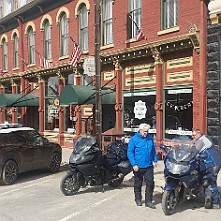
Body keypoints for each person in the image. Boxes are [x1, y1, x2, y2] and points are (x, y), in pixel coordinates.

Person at [127, 123, 158, 208]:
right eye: (144, 131)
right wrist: (134, 164)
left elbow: (153, 151)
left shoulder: (150, 138)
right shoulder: (134, 139)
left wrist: (155, 160)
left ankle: (148, 201)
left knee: (150, 183)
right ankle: (138, 199)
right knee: (138, 183)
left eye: (147, 131)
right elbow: (130, 152)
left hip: (148, 165)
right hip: (138, 166)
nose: (146, 133)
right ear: (140, 130)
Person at [192, 129, 221, 209]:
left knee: (211, 182)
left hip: (213, 163)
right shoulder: (201, 139)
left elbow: (194, 151)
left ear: (198, 134)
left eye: (194, 135)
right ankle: (207, 198)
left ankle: (216, 202)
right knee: (205, 180)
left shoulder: (201, 140)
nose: (192, 136)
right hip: (208, 163)